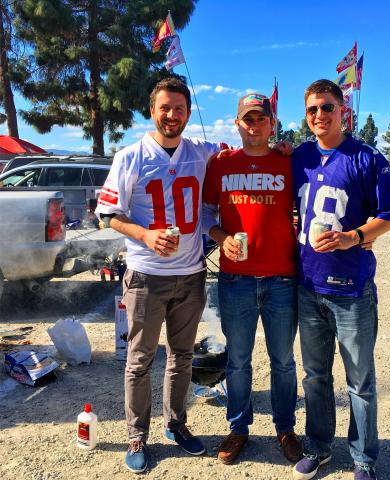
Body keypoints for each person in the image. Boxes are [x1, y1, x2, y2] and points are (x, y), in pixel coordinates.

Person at [95, 78, 230, 474]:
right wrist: (145, 234)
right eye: (165, 108)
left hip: (190, 274)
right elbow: (106, 215)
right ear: (151, 110)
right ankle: (137, 433)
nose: (172, 116)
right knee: (139, 359)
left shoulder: (202, 151)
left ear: (189, 112)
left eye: (179, 109)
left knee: (182, 355)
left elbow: (241, 150)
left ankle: (176, 423)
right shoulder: (131, 156)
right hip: (146, 275)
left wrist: (281, 148)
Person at [291, 80, 390, 480]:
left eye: (327, 108)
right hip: (308, 286)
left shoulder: (367, 157)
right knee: (316, 375)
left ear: (344, 111)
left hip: (352, 290)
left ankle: (363, 458)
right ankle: (320, 445)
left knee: (359, 381)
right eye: (312, 110)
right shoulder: (299, 156)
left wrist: (354, 237)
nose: (319, 116)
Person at [202, 93, 302, 465]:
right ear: (237, 123)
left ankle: (285, 428)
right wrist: (220, 238)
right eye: (248, 118)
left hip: (281, 278)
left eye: (261, 118)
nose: (254, 124)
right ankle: (239, 428)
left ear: (272, 123)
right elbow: (206, 214)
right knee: (239, 360)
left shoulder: (289, 161)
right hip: (236, 280)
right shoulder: (222, 163)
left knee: (283, 361)